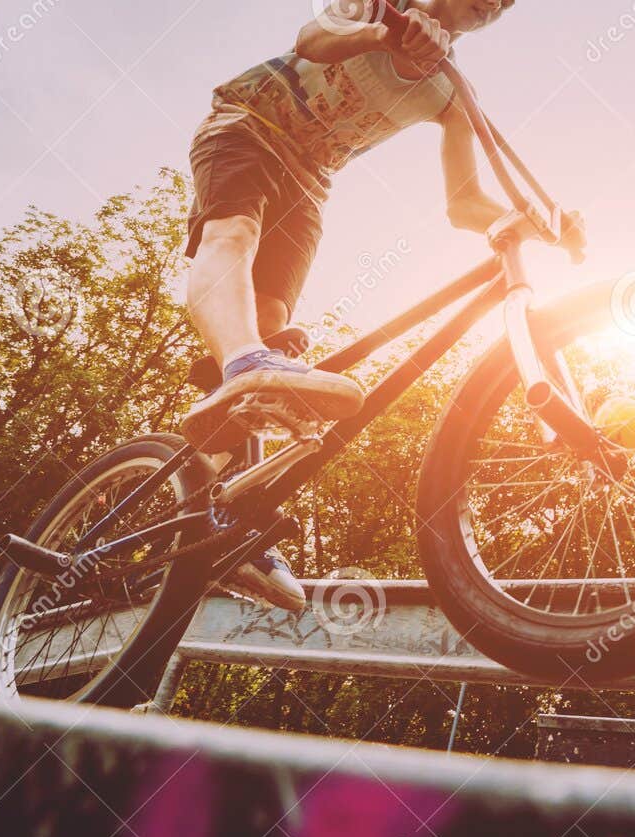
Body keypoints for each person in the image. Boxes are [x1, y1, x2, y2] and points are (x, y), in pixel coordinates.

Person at [180, 0, 536, 610]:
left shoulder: (449, 90)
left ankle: (220, 515)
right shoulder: (377, 5)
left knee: (267, 326)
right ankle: (240, 366)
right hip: (246, 125)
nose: (495, 4)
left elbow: (463, 203)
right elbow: (314, 38)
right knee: (231, 238)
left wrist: (527, 218)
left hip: (310, 179)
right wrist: (386, 31)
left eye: (506, 5)